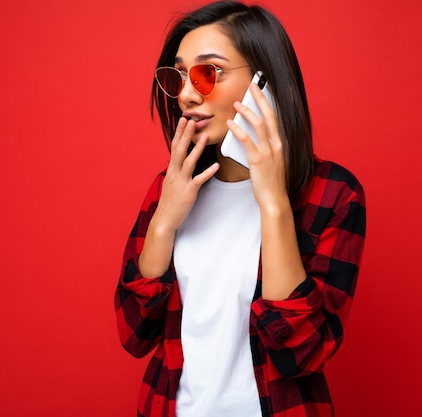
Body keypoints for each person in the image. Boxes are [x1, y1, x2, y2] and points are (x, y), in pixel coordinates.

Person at [114, 2, 366, 416]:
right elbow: (134, 335)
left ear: (265, 82)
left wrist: (273, 204)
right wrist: (163, 223)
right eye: (179, 75)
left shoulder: (334, 194)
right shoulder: (170, 188)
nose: (186, 94)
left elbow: (299, 354)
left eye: (208, 72)